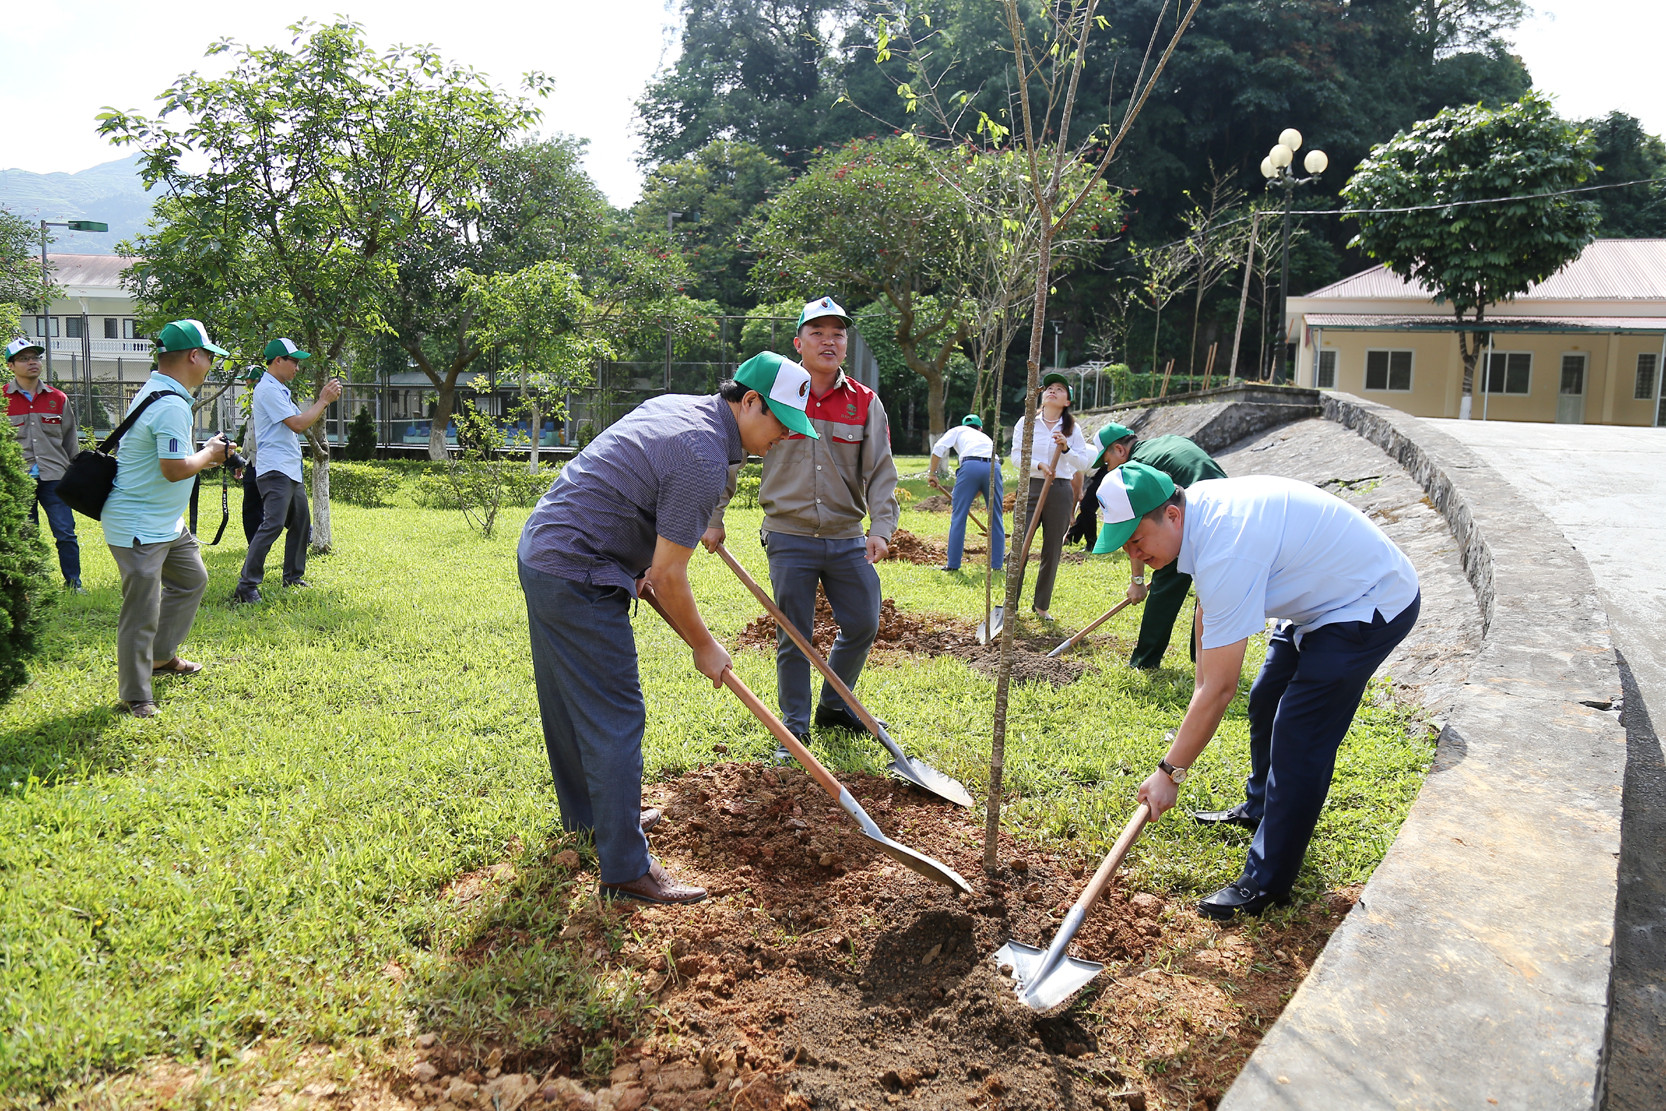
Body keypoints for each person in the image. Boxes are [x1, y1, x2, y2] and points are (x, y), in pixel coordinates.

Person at [518, 351, 815, 904]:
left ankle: (592, 819)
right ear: (749, 402)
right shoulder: (702, 455)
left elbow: (654, 567)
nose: (785, 438)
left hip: (545, 548)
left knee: (568, 703)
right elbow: (667, 576)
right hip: (578, 568)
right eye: (781, 424)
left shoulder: (683, 410)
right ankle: (627, 869)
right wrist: (705, 646)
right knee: (615, 713)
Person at [1094, 462, 1421, 919]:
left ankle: (1266, 883)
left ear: (1170, 515)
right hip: (1320, 596)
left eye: (1136, 540)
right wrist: (1200, 690)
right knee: (1267, 696)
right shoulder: (1199, 514)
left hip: (1369, 600)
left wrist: (1170, 773)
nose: (1135, 555)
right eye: (1125, 545)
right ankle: (1260, 807)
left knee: (1299, 733)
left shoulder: (1226, 545)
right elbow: (1210, 626)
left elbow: (1221, 687)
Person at [702, 297, 900, 757]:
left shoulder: (864, 403)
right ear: (798, 342)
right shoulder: (776, 392)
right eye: (817, 332)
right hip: (788, 536)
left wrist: (882, 527)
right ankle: (793, 730)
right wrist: (714, 517)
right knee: (794, 633)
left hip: (847, 536)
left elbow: (882, 470)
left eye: (837, 333)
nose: (828, 341)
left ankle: (834, 706)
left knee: (863, 623)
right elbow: (732, 453)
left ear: (846, 344)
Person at [101, 319, 239, 718]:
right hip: (139, 526)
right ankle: (136, 694)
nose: (211, 364)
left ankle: (161, 657)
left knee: (192, 580)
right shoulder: (171, 403)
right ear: (194, 356)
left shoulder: (158, 392)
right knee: (141, 612)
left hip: (166, 523)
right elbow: (175, 469)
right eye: (210, 356)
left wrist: (206, 451)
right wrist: (211, 454)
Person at [1087, 423, 1227, 669]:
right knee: (1209, 588)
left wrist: (1137, 581)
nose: (1109, 470)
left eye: (1107, 463)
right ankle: (1203, 660)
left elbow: (1137, 530)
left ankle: (1144, 661)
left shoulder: (1138, 471)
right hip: (1221, 506)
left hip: (1196, 515)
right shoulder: (1160, 444)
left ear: (1119, 450)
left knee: (1167, 580)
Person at [234, 338, 341, 603]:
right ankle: (246, 586)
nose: (297, 367)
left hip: (289, 469)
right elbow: (296, 423)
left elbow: (303, 421)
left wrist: (319, 406)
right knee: (272, 524)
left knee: (301, 523)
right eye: (293, 361)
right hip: (276, 470)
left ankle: (292, 576)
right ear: (277, 361)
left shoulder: (279, 389)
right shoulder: (268, 389)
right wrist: (323, 401)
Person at [1009, 372, 1092, 620]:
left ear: (1067, 401)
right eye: (1049, 388)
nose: (1052, 391)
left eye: (1060, 389)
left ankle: (1041, 605)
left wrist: (1065, 448)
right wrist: (1038, 466)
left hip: (1060, 489)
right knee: (1020, 544)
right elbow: (1015, 457)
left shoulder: (1072, 429)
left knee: (1052, 548)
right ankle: (1010, 602)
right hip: (1031, 488)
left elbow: (1084, 462)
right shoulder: (1026, 423)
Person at [5, 337, 84, 593]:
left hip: (55, 478)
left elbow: (71, 440)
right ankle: (30, 588)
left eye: (35, 358)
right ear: (11, 366)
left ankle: (74, 583)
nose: (32, 363)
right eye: (24, 359)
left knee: (65, 533)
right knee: (25, 535)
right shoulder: (3, 399)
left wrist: (77, 475)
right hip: (18, 480)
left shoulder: (57, 398)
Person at [927, 414, 1004, 573]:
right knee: (996, 517)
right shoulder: (985, 438)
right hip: (994, 467)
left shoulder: (958, 430)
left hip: (970, 466)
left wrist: (932, 474)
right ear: (980, 428)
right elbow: (982, 485)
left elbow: (938, 448)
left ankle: (953, 564)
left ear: (963, 425)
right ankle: (997, 565)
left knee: (958, 517)